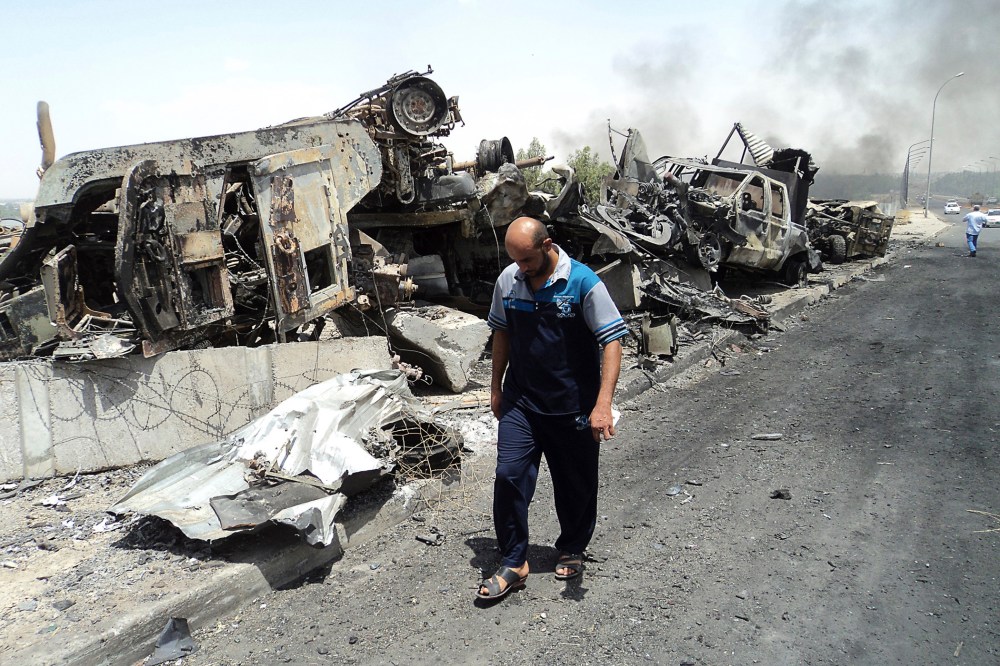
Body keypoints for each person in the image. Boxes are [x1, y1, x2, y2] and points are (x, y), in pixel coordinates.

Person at [477, 216, 628, 601]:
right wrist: (495, 388)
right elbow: (501, 332)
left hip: (572, 406)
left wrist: (603, 404)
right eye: (515, 260)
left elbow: (612, 340)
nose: (521, 268)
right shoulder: (509, 280)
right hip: (522, 402)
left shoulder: (583, 283)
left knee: (575, 482)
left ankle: (572, 546)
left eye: (527, 259)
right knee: (509, 474)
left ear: (547, 246)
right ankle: (514, 560)